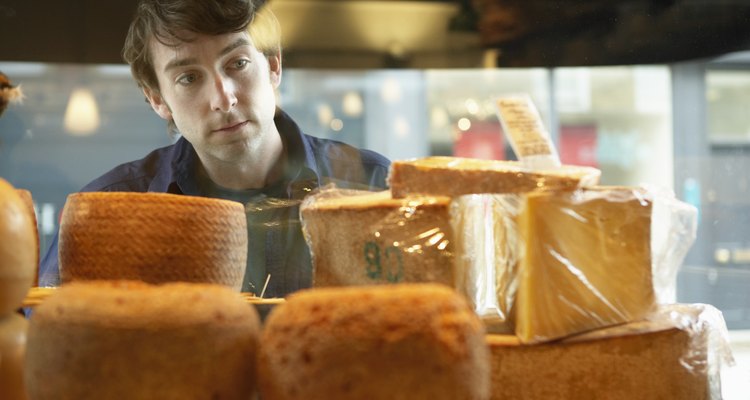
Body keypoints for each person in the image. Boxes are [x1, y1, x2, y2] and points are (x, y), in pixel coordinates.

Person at [38, 0, 391, 298]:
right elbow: (47, 337)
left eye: (237, 63)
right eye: (189, 78)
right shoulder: (106, 213)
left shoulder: (374, 187)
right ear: (157, 99)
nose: (224, 99)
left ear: (272, 64)